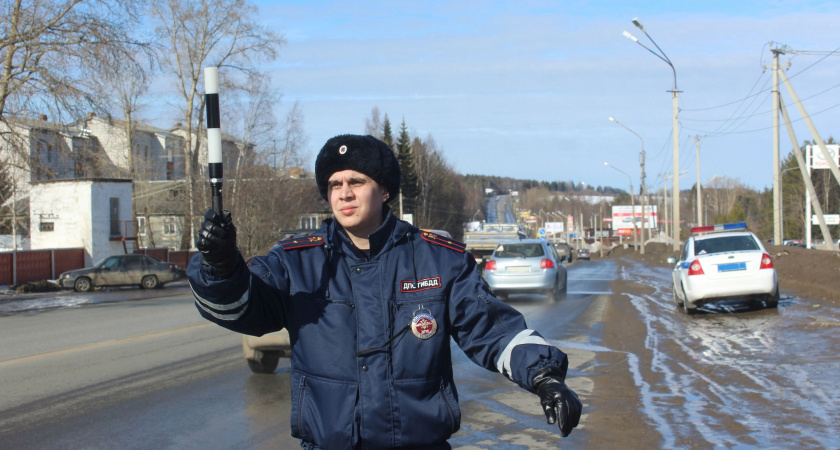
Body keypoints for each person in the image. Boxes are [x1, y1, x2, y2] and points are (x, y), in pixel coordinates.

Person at [188, 134, 581, 449]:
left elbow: (491, 330)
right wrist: (220, 265)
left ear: (385, 191)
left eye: (356, 182)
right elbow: (241, 311)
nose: (343, 193)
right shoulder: (296, 261)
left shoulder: (437, 260)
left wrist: (545, 376)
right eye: (334, 184)